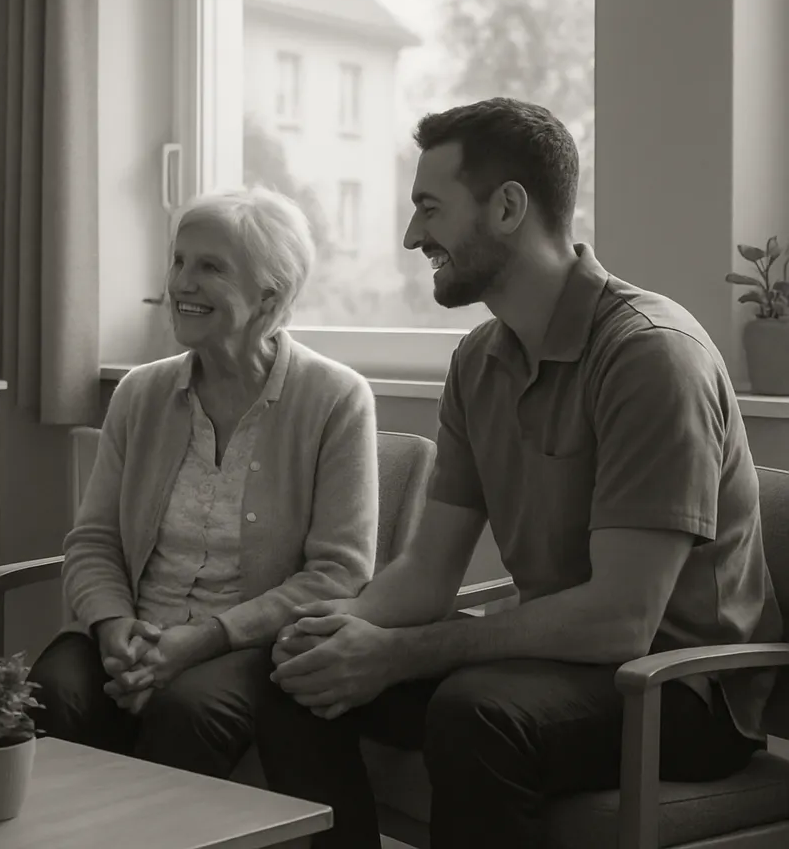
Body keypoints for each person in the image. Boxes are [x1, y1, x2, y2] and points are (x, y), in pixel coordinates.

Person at [260, 97, 783, 849]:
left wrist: (401, 653)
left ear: (507, 207)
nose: (412, 236)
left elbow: (622, 621)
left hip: (680, 688)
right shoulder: (479, 362)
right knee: (298, 682)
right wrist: (345, 632)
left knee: (477, 711)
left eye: (430, 209)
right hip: (558, 663)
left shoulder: (651, 356)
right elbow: (429, 572)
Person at [26, 186, 380, 780]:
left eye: (210, 267)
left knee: (187, 709)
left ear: (270, 292)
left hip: (252, 645)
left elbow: (339, 573)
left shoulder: (336, 398)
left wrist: (206, 639)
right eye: (179, 262)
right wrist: (113, 627)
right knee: (51, 694)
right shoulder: (140, 393)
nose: (181, 283)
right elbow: (94, 541)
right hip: (132, 628)